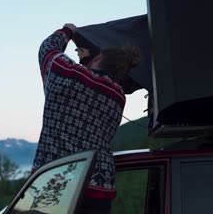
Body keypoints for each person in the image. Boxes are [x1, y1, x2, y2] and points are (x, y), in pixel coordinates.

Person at [32, 23, 140, 213]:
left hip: (55, 182)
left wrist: (67, 30)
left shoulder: (64, 71)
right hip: (98, 188)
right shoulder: (117, 97)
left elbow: (47, 49)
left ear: (98, 57)